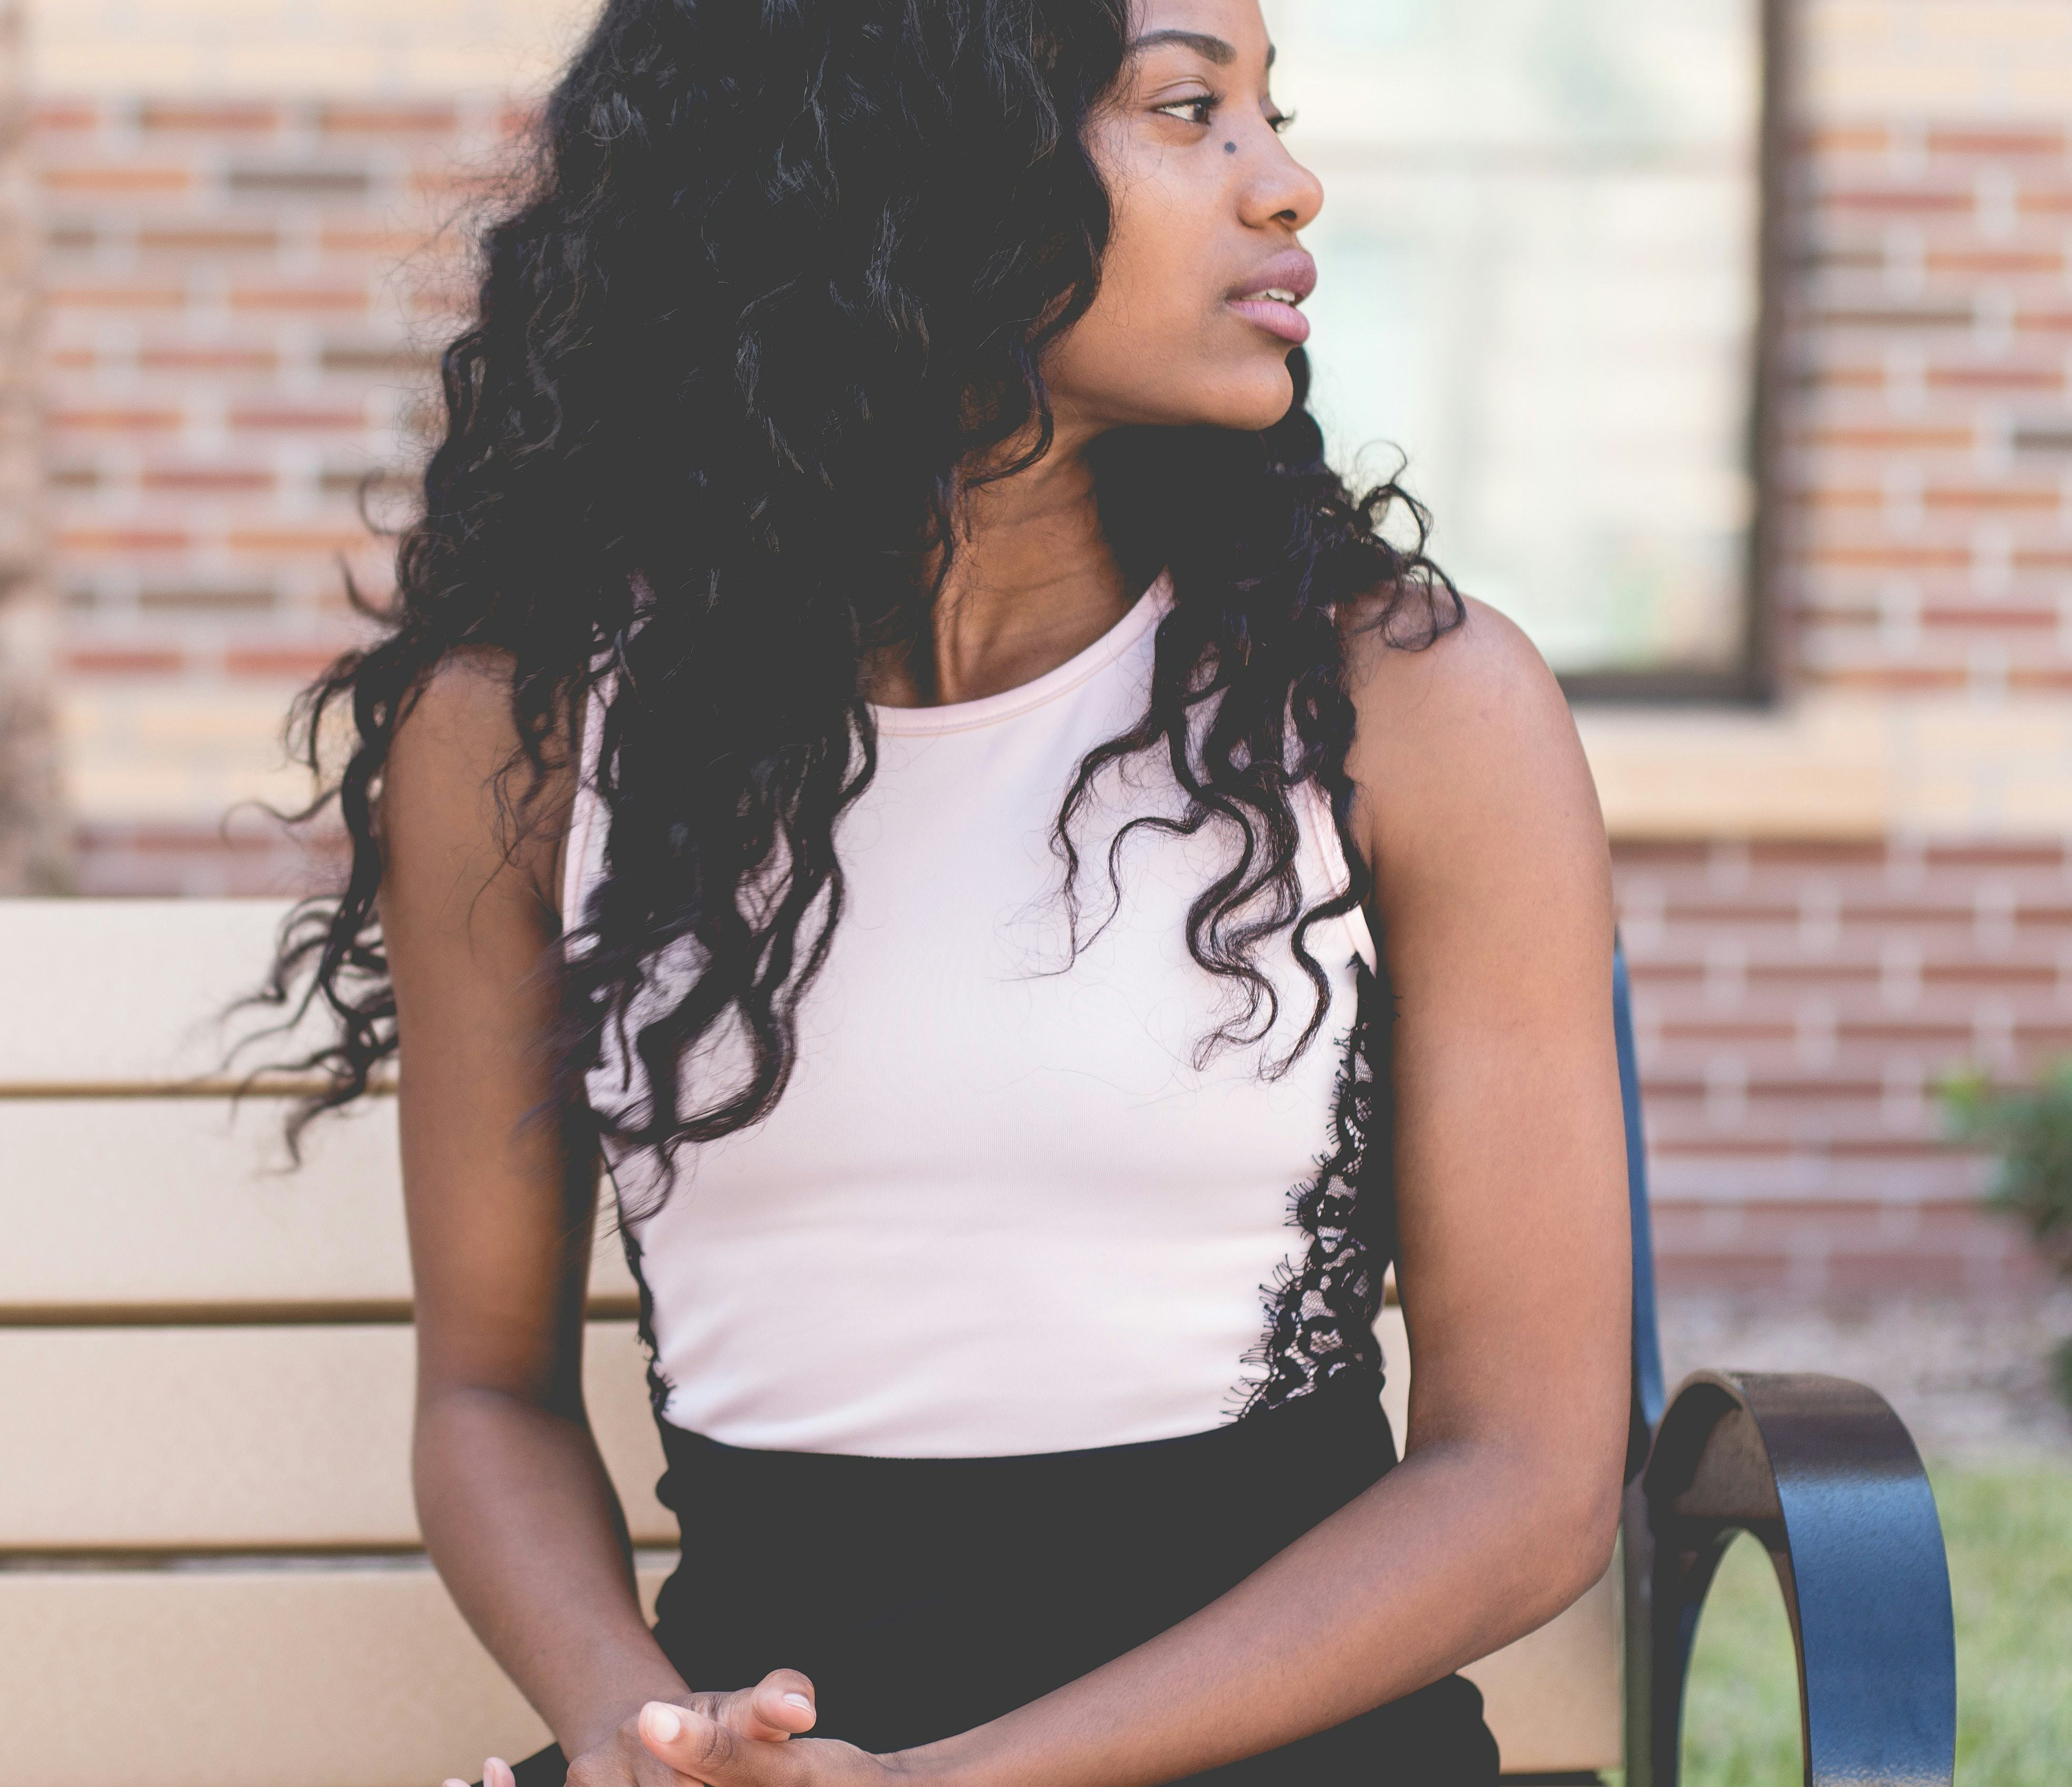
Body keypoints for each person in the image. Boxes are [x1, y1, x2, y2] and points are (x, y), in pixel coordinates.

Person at [261, 0, 1629, 1779]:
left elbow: (1525, 1481)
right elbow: (488, 1400)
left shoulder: (1408, 707)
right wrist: (635, 1724)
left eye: (1269, 114)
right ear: (909, 166)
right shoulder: (530, 734)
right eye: (1189, 109)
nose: (1287, 185)